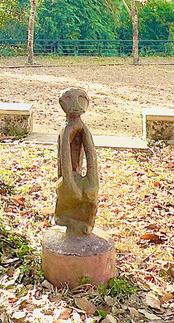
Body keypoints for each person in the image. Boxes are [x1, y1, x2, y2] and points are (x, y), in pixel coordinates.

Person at [54, 87, 99, 236]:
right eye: (69, 100)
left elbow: (91, 154)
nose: (76, 106)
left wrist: (93, 182)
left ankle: (85, 222)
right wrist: (69, 182)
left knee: (90, 194)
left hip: (78, 175)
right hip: (68, 177)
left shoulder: (83, 128)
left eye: (81, 100)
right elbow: (65, 157)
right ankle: (64, 218)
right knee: (72, 193)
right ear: (62, 103)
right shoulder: (66, 129)